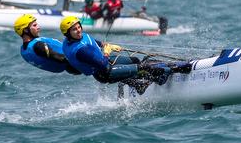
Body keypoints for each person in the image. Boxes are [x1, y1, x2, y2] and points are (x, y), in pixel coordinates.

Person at [59, 15, 189, 90]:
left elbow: (92, 41)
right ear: (67, 33)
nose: (79, 30)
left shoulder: (74, 38)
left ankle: (144, 82)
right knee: (143, 67)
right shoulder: (81, 51)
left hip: (106, 61)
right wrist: (106, 51)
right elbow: (103, 65)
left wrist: (105, 45)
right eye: (74, 30)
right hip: (106, 72)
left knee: (135, 61)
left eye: (78, 27)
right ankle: (177, 69)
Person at [13, 13, 80, 75]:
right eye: (34, 25)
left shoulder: (23, 50)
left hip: (71, 68)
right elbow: (58, 57)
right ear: (26, 30)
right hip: (76, 59)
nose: (38, 27)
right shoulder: (38, 45)